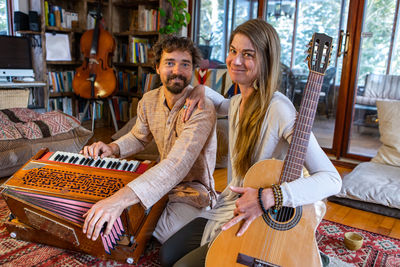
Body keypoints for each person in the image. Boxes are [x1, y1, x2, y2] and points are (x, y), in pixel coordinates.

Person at [160, 19, 342, 266]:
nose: (235, 61)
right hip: (233, 205)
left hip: (266, 211)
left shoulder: (279, 109)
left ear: (266, 60)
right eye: (233, 51)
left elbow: (332, 179)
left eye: (248, 54)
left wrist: (270, 196)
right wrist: (201, 89)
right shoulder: (238, 102)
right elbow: (224, 105)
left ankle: (299, 253)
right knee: (167, 253)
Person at [80, 35, 218, 244]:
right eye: (169, 63)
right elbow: (138, 136)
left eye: (185, 64)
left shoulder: (202, 107)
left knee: (154, 229)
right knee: (116, 210)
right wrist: (112, 148)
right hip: (161, 184)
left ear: (192, 69)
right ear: (157, 67)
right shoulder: (149, 100)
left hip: (193, 192)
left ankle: (209, 219)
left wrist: (118, 201)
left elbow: (176, 165)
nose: (177, 71)